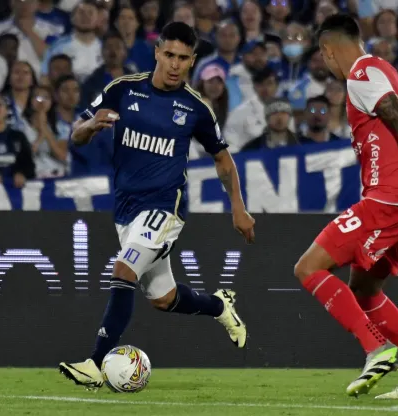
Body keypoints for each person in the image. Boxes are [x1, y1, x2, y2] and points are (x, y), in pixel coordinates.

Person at [58, 22, 254, 390]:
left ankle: (95, 363)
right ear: (157, 53)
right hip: (126, 209)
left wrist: (238, 208)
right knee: (163, 298)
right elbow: (77, 134)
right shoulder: (123, 89)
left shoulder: (195, 107)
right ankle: (219, 306)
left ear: (192, 60)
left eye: (183, 58)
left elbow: (223, 160)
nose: (175, 65)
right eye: (169, 56)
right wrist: (93, 126)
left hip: (166, 208)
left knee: (123, 269)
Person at [294, 14, 398, 401]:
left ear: (328, 51)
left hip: (387, 199)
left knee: (308, 267)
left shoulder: (360, 76)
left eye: (324, 58)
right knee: (365, 290)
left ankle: (376, 348)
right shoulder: (382, 69)